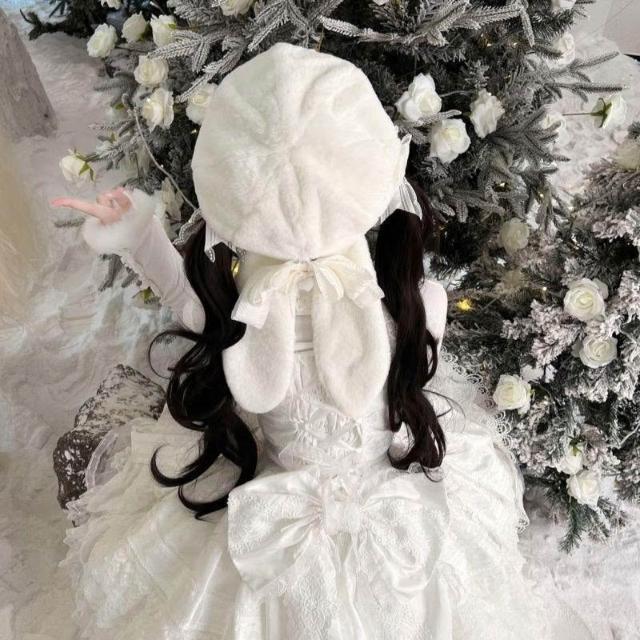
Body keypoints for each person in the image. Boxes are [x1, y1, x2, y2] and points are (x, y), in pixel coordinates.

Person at [52, 43, 592, 639]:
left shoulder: (364, 308)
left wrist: (142, 238)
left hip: (361, 505)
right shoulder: (388, 307)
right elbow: (194, 306)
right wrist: (139, 238)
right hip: (288, 507)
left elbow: (189, 302)